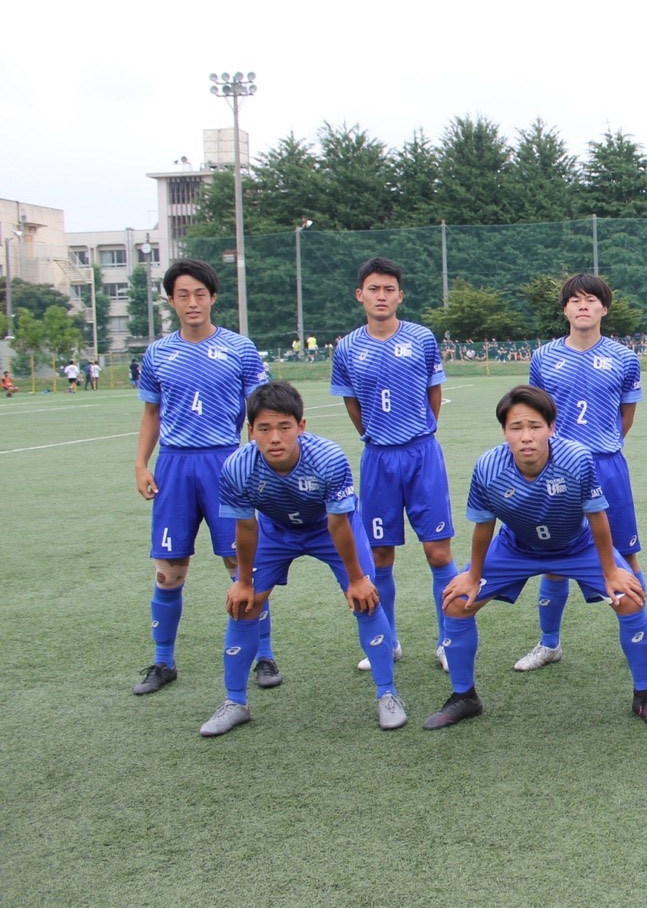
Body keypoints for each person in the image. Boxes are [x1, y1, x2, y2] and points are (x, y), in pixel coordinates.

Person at [422, 385, 647, 729]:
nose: (526, 436)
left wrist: (611, 570)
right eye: (516, 427)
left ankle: (645, 696)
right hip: (516, 547)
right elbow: (484, 526)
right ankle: (464, 697)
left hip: (576, 545)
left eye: (535, 426)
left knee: (629, 598)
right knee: (456, 603)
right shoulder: (488, 467)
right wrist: (472, 575)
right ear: (504, 432)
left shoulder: (576, 459)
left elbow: (597, 517)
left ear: (551, 428)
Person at [198, 383, 405, 736]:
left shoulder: (327, 457)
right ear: (250, 431)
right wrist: (244, 582)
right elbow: (246, 527)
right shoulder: (237, 466)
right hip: (276, 531)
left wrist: (357, 579)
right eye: (264, 429)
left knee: (366, 599)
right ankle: (235, 702)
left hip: (328, 528)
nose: (275, 438)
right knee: (244, 605)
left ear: (301, 426)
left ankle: (387, 694)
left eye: (284, 427)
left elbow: (338, 523)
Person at [133, 258, 273, 695]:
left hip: (225, 464)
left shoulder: (239, 348)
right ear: (171, 301)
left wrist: (258, 461)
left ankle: (264, 655)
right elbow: (151, 413)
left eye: (199, 294)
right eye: (183, 295)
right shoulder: (158, 353)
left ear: (213, 297)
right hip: (174, 467)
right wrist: (141, 464)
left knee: (242, 567)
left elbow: (261, 411)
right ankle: (163, 661)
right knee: (169, 571)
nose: (192, 302)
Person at [330, 257, 457, 675]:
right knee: (380, 554)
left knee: (438, 552)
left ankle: (448, 640)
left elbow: (433, 395)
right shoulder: (347, 347)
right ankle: (388, 641)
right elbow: (352, 404)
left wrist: (421, 433)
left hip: (422, 455)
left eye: (389, 289)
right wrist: (376, 436)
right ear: (360, 295)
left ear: (400, 295)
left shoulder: (421, 338)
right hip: (378, 459)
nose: (381, 296)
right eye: (373, 289)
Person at [514, 274, 646, 674]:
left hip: (607, 464)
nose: (583, 305)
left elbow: (626, 414)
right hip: (557, 469)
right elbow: (537, 413)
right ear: (565, 309)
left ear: (604, 308)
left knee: (626, 553)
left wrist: (603, 446)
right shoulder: (544, 357)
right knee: (553, 558)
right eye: (575, 300)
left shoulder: (624, 358)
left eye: (591, 299)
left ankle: (640, 639)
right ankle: (549, 644)